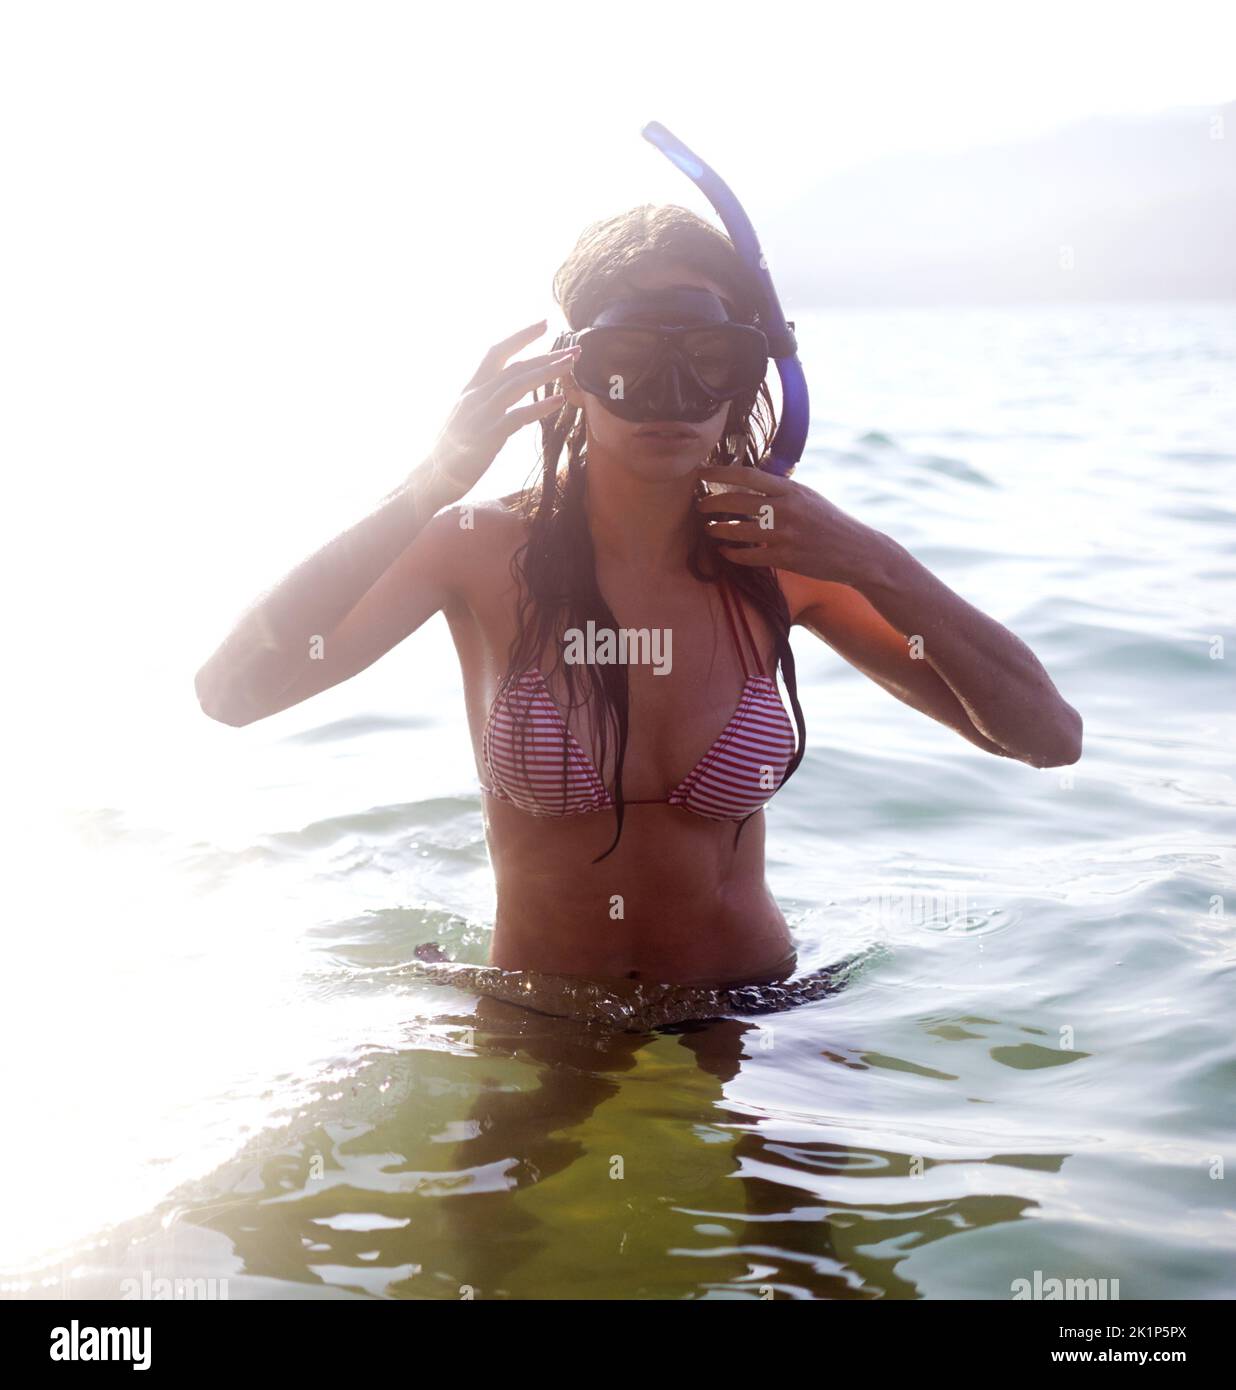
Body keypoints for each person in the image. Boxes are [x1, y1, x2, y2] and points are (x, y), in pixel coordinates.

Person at [194, 204, 1082, 995]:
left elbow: (1047, 738)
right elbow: (233, 696)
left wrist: (880, 562)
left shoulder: (792, 557)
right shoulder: (473, 549)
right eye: (630, 363)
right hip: (543, 1014)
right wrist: (425, 488)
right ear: (571, 371)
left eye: (709, 362)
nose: (673, 400)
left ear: (749, 373)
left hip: (756, 1009)